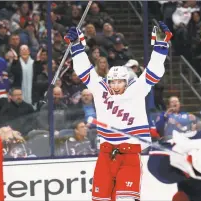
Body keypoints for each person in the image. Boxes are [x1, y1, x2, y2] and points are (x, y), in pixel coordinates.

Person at [64, 22, 172, 201]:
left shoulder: (137, 90)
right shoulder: (100, 90)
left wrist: (161, 45)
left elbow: (154, 70)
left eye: (119, 81)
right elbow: (84, 70)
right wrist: (76, 46)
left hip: (129, 155)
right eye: (112, 81)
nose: (115, 85)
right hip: (106, 154)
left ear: (128, 81)